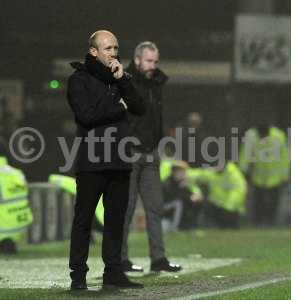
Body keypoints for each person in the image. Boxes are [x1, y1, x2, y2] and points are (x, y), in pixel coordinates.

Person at [66, 30, 145, 290]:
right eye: (108, 48)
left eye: (115, 48)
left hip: (119, 159)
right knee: (84, 220)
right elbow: (86, 116)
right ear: (93, 51)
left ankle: (113, 272)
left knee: (116, 220)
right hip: (92, 161)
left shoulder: (119, 78)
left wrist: (123, 81)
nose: (113, 53)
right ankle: (78, 275)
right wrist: (119, 107)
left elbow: (141, 107)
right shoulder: (78, 80)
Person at [122, 41, 182, 273]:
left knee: (155, 207)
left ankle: (158, 258)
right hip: (128, 154)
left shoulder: (156, 83)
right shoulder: (125, 81)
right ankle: (119, 260)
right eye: (149, 61)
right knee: (125, 209)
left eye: (156, 61)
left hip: (151, 154)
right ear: (137, 60)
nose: (153, 66)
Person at [239, 124, 291, 226]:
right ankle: (257, 221)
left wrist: (286, 174)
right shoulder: (251, 135)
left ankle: (270, 221)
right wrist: (243, 170)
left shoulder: (278, 135)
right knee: (258, 200)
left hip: (275, 175)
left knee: (273, 200)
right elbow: (245, 154)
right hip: (258, 174)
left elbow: (285, 156)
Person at [161, 160, 203, 231]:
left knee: (197, 202)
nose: (182, 174)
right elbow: (172, 198)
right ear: (173, 172)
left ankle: (192, 226)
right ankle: (174, 229)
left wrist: (194, 197)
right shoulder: (167, 183)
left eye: (183, 172)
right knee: (178, 203)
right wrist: (181, 188)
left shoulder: (183, 183)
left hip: (174, 212)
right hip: (163, 210)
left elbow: (188, 196)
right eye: (180, 171)